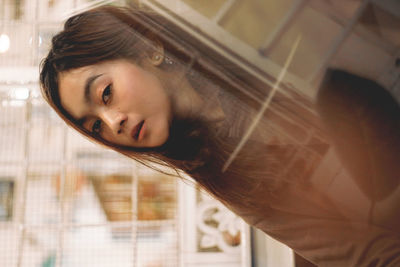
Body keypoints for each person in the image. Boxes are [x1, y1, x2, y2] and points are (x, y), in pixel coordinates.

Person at [40, 5, 400, 266]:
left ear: (148, 49)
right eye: (96, 126)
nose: (112, 123)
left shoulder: (256, 50)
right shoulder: (226, 172)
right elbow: (363, 256)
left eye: (105, 94)